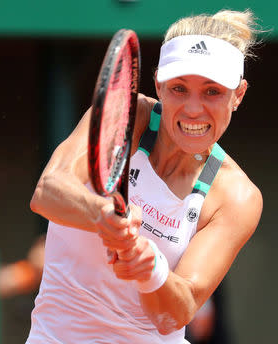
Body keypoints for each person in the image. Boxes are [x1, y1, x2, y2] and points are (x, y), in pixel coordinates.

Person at [26, 9, 263, 344]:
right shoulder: (123, 116)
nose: (194, 109)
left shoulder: (237, 196)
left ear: (238, 95)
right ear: (158, 85)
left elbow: (178, 313)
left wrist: (149, 267)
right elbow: (48, 192)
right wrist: (102, 216)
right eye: (179, 88)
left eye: (212, 92)